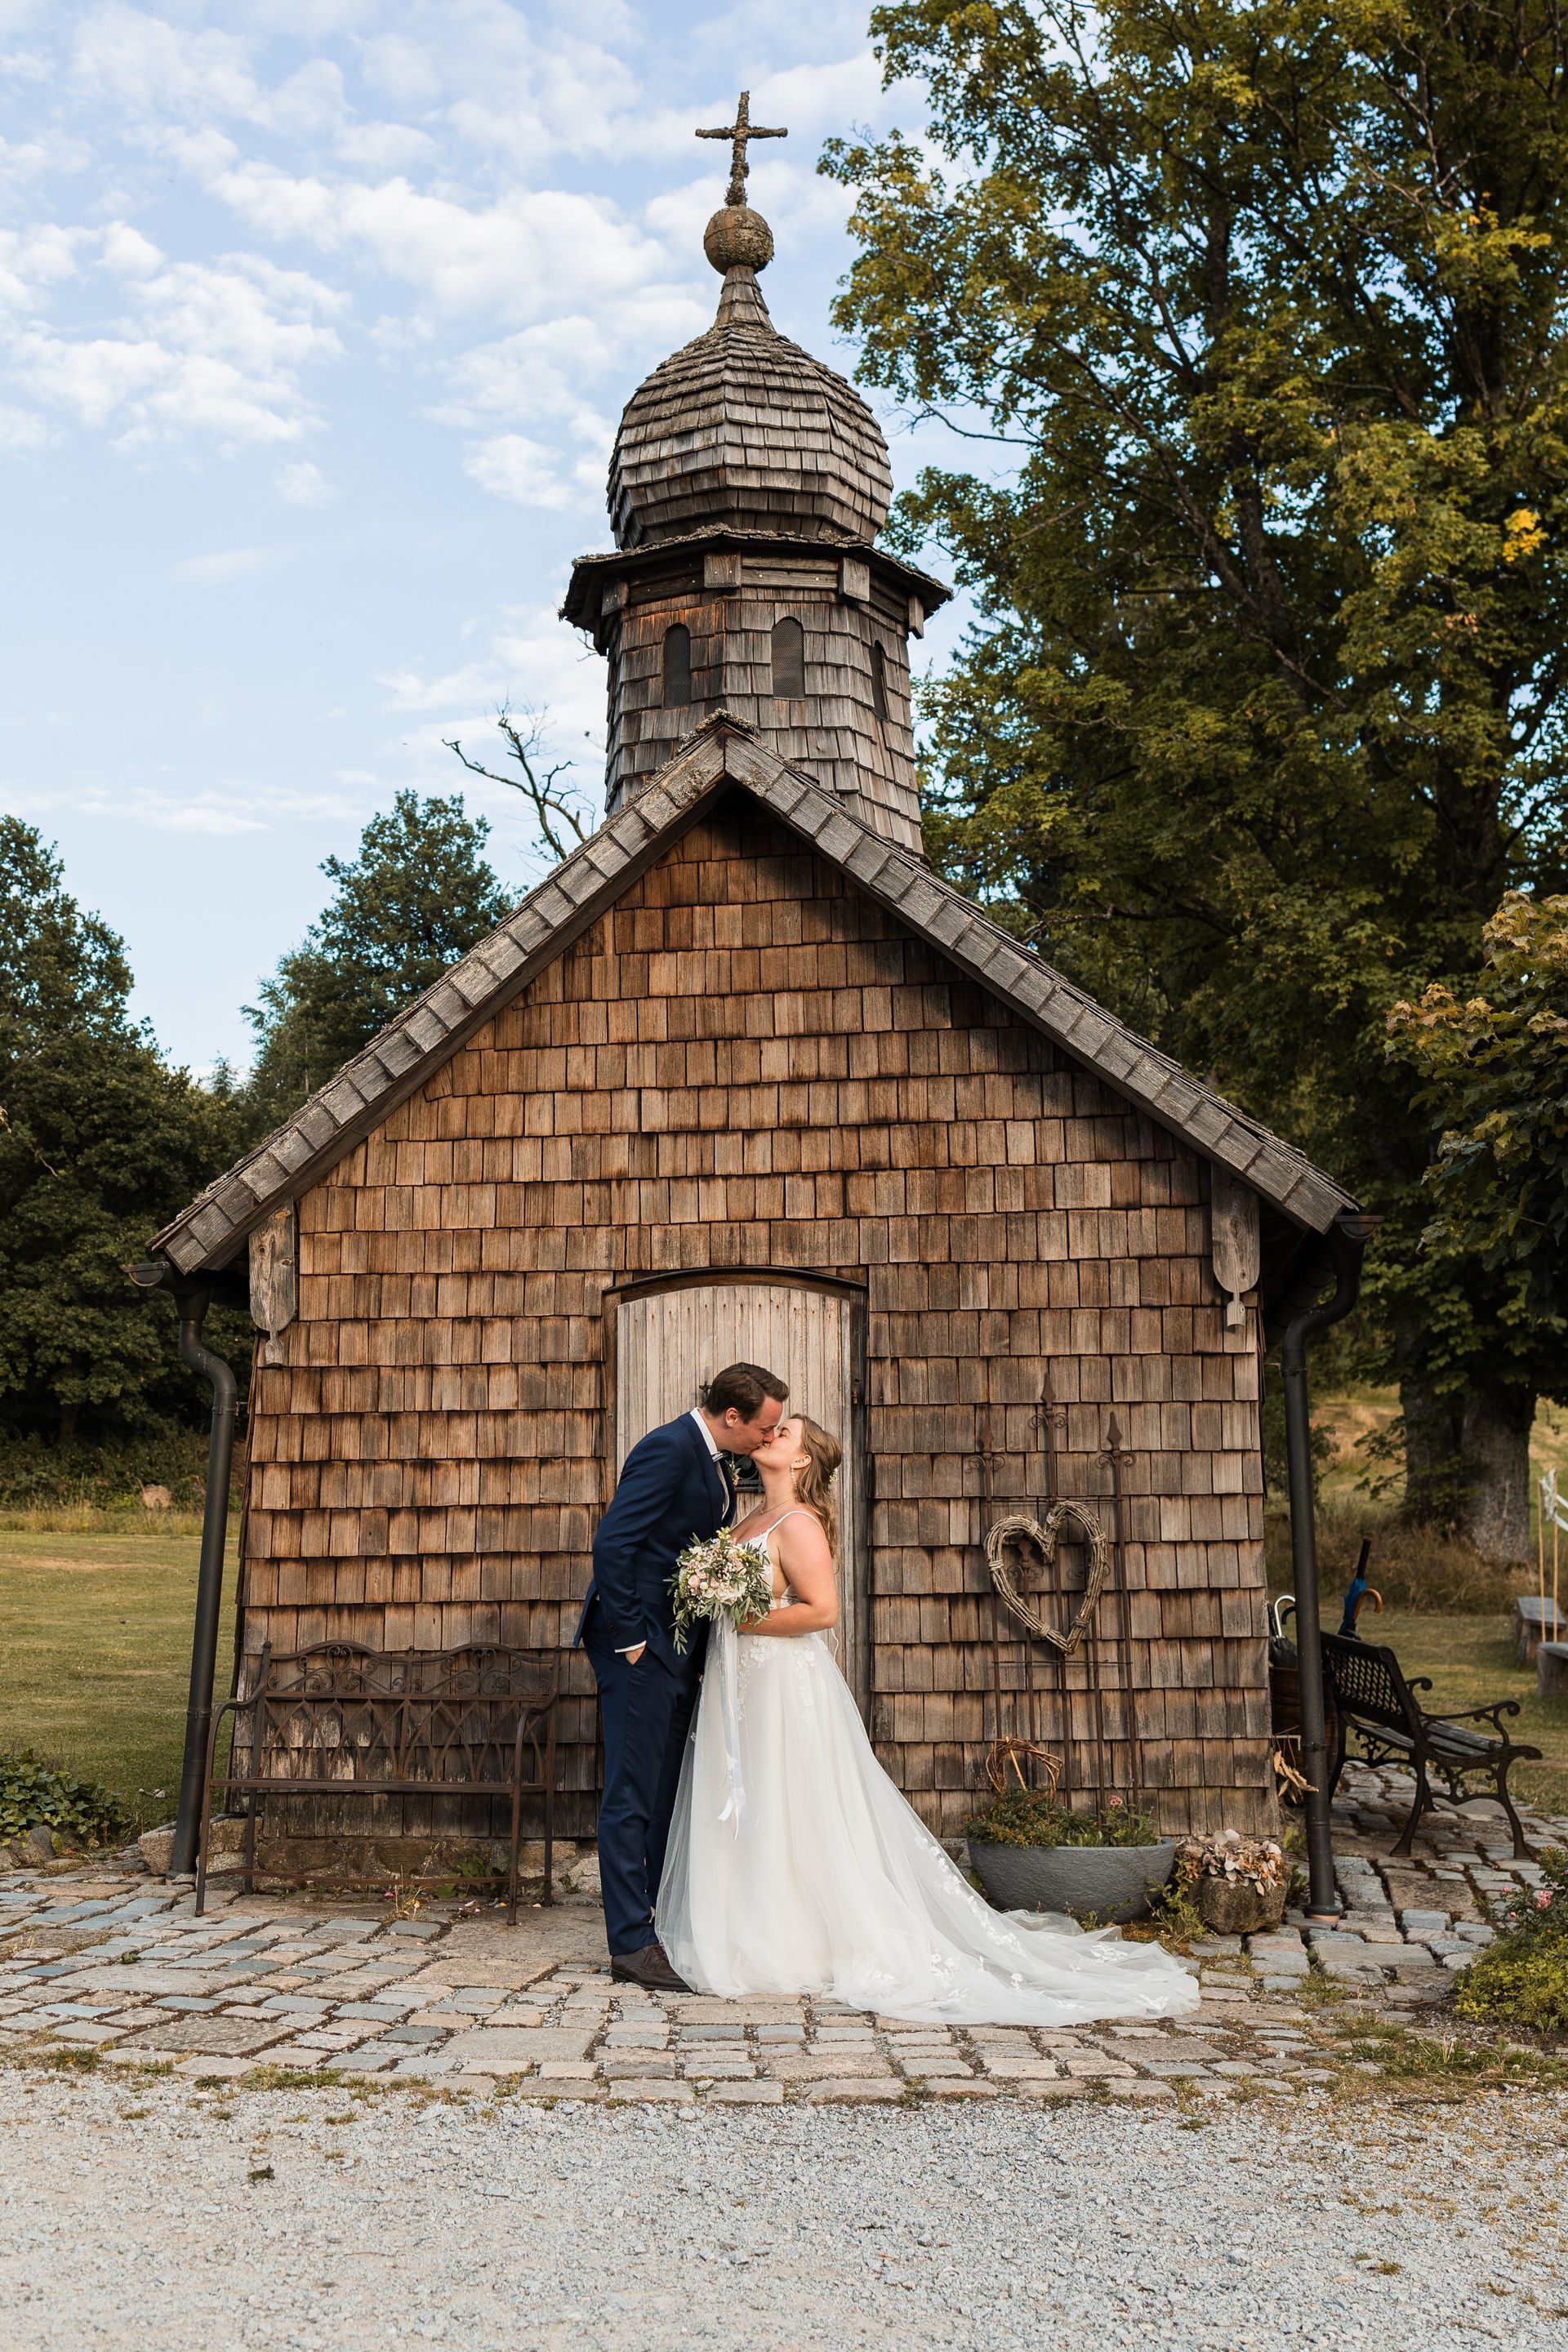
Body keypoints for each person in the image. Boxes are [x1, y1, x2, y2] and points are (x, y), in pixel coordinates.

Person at [658, 1414, 1200, 2025]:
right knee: (751, 1794)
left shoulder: (799, 1524)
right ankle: (747, 1926)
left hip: (782, 1683)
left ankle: (799, 1941)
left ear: (803, 1460)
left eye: (785, 1433)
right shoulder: (748, 1517)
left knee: (788, 1796)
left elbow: (823, 1611)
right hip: (739, 1682)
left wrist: (745, 1620)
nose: (771, 1434)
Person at [577, 1361, 787, 1990]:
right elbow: (614, 1544)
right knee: (632, 1791)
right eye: (764, 1427)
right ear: (732, 1416)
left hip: (676, 1651)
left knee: (663, 1788)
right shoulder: (668, 1449)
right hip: (639, 1647)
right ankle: (629, 1944)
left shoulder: (719, 1461)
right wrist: (634, 1641)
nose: (769, 1438)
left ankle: (656, 1921)